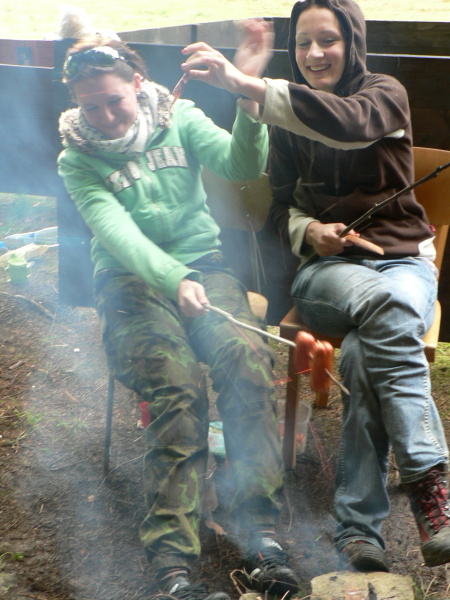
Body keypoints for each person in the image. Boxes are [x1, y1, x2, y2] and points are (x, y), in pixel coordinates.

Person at [181, 0, 450, 573]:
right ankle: (430, 483)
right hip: (328, 274)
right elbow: (279, 208)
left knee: (365, 352)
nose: (315, 53)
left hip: (404, 262)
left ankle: (358, 532)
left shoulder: (384, 94)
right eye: (303, 42)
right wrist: (311, 231)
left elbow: (348, 125)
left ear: (353, 42)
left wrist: (246, 83)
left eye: (328, 39)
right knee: (386, 308)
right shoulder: (286, 117)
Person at [57, 31, 301, 599]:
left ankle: (260, 532)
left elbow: (243, 164)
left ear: (138, 83)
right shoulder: (77, 158)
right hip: (129, 281)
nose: (105, 118)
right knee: (177, 387)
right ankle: (173, 568)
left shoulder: (180, 117)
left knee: (247, 361)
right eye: (91, 107)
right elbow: (117, 235)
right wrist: (173, 278)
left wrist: (246, 93)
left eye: (114, 101)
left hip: (204, 265)